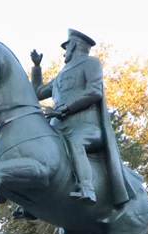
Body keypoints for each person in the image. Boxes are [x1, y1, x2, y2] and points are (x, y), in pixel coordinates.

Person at [30, 29, 132, 205]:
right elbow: (38, 92)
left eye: (66, 47)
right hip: (60, 127)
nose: (64, 52)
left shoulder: (91, 64)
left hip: (87, 128)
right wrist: (37, 67)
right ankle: (30, 201)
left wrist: (66, 109)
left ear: (74, 45)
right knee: (37, 145)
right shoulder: (61, 74)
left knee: (76, 141)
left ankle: (87, 188)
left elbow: (94, 92)